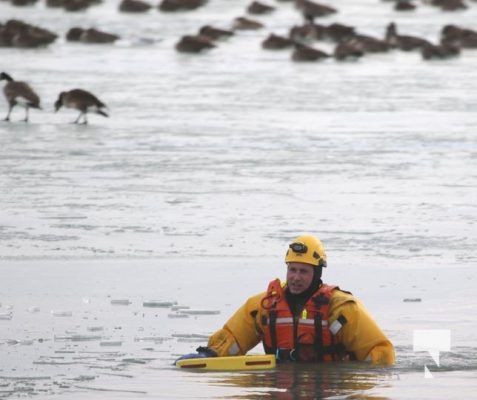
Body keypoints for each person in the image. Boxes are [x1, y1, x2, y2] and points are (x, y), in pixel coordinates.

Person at [179, 234, 395, 365]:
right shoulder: (262, 307)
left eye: (303, 271)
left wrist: (354, 381)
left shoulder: (341, 309)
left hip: (329, 386)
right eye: (292, 270)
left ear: (317, 274)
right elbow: (233, 338)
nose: (295, 278)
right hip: (278, 386)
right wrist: (211, 354)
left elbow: (381, 352)